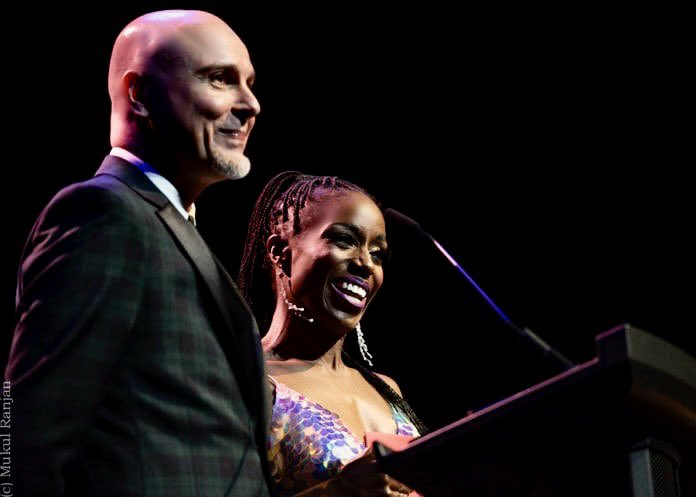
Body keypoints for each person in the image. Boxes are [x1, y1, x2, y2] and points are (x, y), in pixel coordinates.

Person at [6, 10, 273, 497]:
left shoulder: (167, 225)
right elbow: (26, 431)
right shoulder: (103, 213)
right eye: (220, 79)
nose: (251, 104)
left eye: (250, 82)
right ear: (140, 95)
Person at [238, 171, 427, 497]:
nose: (366, 263)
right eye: (344, 239)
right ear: (280, 251)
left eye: (378, 252)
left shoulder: (385, 389)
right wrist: (335, 492)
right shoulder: (247, 380)